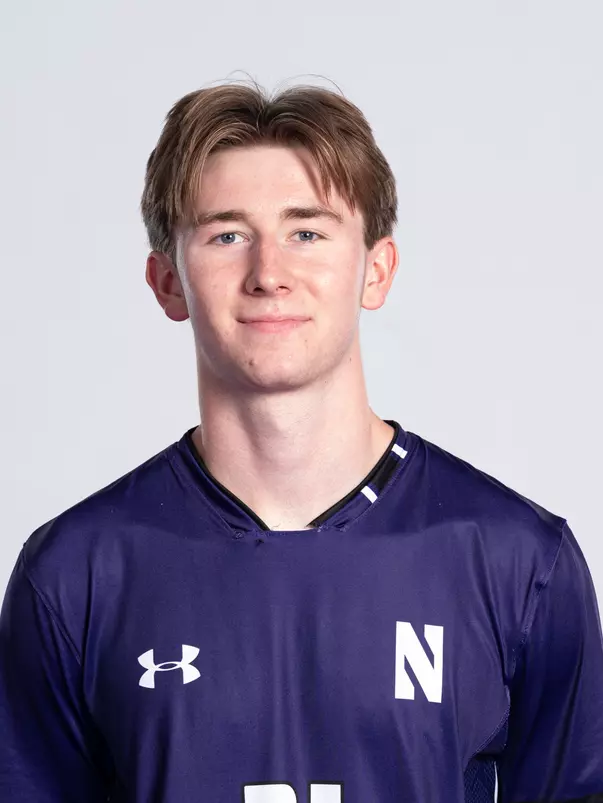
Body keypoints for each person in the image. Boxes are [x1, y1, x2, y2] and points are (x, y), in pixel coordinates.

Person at [1, 79, 602, 803]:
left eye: (306, 232)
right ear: (167, 281)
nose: (268, 274)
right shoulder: (75, 573)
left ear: (374, 270)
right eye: (226, 234)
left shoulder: (515, 559)